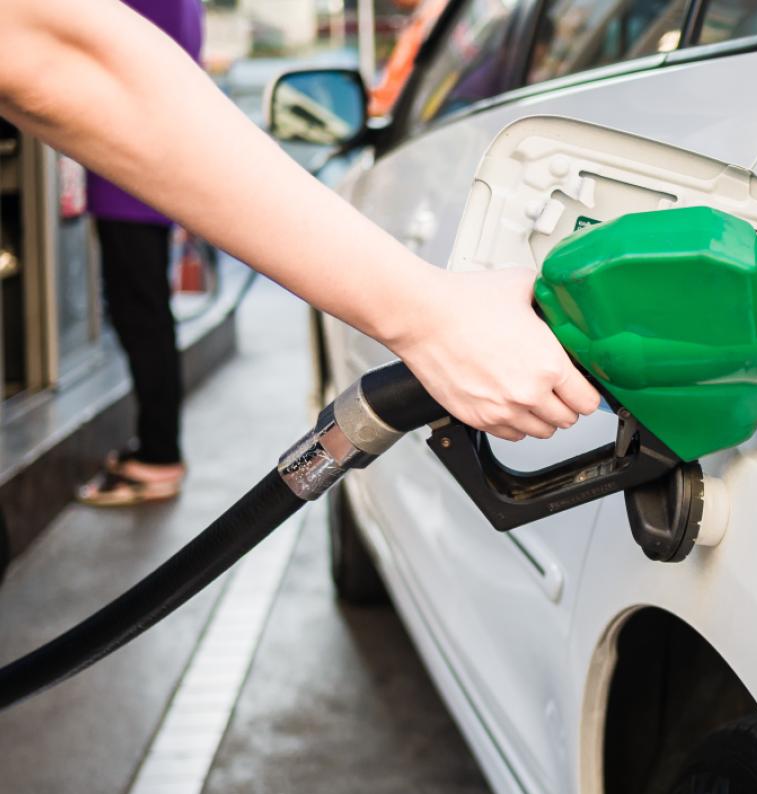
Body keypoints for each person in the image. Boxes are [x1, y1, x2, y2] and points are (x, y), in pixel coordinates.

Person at [0, 0, 599, 474]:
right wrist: (427, 315)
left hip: (127, 189)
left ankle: (158, 452)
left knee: (141, 310)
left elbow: (59, 60)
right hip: (137, 186)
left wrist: (428, 316)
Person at [78, 0, 204, 506]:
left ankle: (157, 457)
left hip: (128, 167)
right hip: (145, 164)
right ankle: (156, 448)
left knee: (141, 316)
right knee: (145, 314)